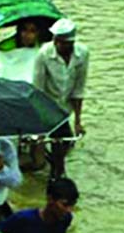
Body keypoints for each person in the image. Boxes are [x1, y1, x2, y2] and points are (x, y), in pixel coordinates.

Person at [33, 18, 89, 179]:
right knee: (51, 143)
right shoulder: (44, 54)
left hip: (65, 107)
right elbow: (38, 89)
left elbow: (79, 88)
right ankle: (56, 172)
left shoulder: (82, 54)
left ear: (71, 42)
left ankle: (56, 168)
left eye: (64, 43)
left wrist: (78, 121)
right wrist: (40, 123)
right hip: (47, 104)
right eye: (56, 41)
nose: (59, 46)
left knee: (66, 143)